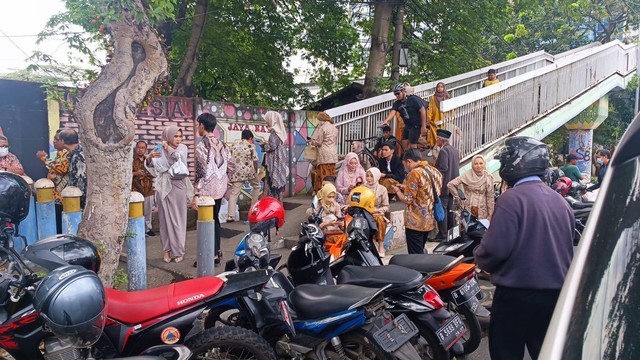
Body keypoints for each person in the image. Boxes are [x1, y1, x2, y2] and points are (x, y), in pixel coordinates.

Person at [474, 136, 574, 360]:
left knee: (506, 352)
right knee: (546, 352)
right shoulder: (560, 202)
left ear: (516, 163)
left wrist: (478, 258)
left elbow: (494, 250)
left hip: (517, 297)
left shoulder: (511, 199)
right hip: (555, 296)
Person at [146, 126, 194, 264]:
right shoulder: (159, 149)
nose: (178, 139)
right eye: (175, 136)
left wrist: (168, 148)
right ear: (168, 136)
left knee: (179, 220)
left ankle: (179, 250)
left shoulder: (182, 148)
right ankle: (166, 250)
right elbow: (151, 167)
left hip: (178, 187)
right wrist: (149, 157)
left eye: (180, 136)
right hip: (163, 187)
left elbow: (179, 159)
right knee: (164, 220)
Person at [192, 113, 230, 265]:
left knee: (206, 222)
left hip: (207, 191)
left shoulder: (202, 146)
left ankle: (210, 256)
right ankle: (217, 252)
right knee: (215, 221)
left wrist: (196, 193)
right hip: (220, 189)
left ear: (202, 125)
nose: (197, 128)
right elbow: (231, 166)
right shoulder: (223, 144)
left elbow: (200, 171)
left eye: (198, 125)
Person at [391, 149, 442, 254]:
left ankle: (419, 270)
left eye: (405, 163)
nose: (406, 166)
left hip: (415, 222)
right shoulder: (435, 171)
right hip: (429, 220)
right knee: (421, 251)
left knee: (415, 256)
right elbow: (425, 190)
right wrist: (405, 187)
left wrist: (397, 191)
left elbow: (408, 200)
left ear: (408, 161)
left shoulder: (414, 173)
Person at [36, 129, 69, 233]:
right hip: (56, 195)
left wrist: (44, 158)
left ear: (63, 142)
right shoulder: (59, 154)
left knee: (61, 225)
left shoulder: (66, 153)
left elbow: (62, 168)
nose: (54, 141)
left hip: (63, 197)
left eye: (57, 139)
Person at [447, 155, 495, 220]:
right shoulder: (466, 175)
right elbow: (450, 185)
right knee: (469, 228)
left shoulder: (488, 177)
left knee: (481, 228)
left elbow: (490, 196)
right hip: (469, 209)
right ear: (472, 165)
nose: (479, 166)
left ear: (484, 164)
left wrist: (490, 214)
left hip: (483, 210)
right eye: (476, 164)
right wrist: (458, 198)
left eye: (481, 163)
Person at [382, 83, 427, 150]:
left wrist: (423, 126)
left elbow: (422, 110)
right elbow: (393, 112)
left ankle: (415, 159)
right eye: (395, 94)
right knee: (404, 142)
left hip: (416, 125)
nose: (397, 96)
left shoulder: (413, 99)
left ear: (403, 91)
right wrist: (386, 120)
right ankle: (407, 156)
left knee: (412, 145)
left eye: (398, 93)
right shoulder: (397, 103)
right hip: (408, 125)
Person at [228, 129, 261, 222]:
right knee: (257, 186)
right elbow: (255, 160)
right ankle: (252, 210)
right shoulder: (251, 146)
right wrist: (255, 172)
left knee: (234, 194)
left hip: (236, 173)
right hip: (249, 172)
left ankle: (230, 216)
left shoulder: (233, 145)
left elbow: (229, 160)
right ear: (250, 138)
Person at [434, 129, 460, 241]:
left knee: (442, 209)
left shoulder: (444, 151)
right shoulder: (454, 150)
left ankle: (443, 234)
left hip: (444, 186)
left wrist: (438, 184)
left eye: (437, 139)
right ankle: (451, 233)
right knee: (450, 209)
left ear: (441, 140)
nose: (436, 141)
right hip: (453, 185)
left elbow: (443, 169)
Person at [261, 111, 287, 202]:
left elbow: (272, 146)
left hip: (275, 161)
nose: (266, 122)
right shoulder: (281, 132)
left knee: (272, 183)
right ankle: (279, 205)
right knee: (278, 185)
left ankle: (273, 206)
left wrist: (264, 145)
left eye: (267, 119)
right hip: (280, 160)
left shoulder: (274, 132)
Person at [309, 111, 338, 192]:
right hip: (333, 154)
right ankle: (331, 190)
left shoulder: (323, 128)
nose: (318, 121)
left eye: (318, 119)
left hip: (324, 154)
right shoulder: (334, 127)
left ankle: (324, 191)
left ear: (321, 119)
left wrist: (312, 142)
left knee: (323, 174)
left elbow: (318, 142)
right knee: (331, 174)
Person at [132, 140, 155, 236]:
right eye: (138, 147)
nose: (140, 150)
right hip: (135, 190)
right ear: (135, 148)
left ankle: (147, 229)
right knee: (136, 211)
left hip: (148, 190)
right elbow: (125, 174)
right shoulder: (131, 160)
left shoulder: (148, 160)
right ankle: (137, 230)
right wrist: (136, 173)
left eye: (142, 148)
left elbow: (154, 172)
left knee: (148, 212)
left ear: (145, 149)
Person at [58, 129, 86, 209]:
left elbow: (81, 182)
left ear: (62, 141)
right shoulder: (74, 155)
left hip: (78, 202)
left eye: (58, 139)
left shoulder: (78, 157)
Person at [365, 167, 389, 257]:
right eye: (367, 176)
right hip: (364, 212)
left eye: (371, 176)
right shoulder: (362, 188)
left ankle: (381, 246)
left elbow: (386, 206)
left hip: (377, 212)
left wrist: (378, 210)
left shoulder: (382, 189)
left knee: (379, 220)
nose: (369, 178)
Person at [427, 82, 450, 147]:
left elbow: (451, 109)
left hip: (443, 118)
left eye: (441, 87)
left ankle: (442, 147)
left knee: (442, 133)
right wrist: (429, 117)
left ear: (444, 88)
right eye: (438, 87)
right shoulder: (433, 98)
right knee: (434, 133)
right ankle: (433, 147)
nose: (440, 88)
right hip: (434, 119)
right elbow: (430, 107)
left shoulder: (446, 97)